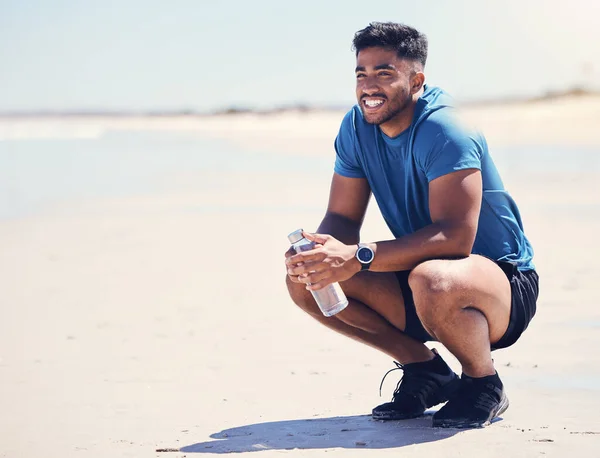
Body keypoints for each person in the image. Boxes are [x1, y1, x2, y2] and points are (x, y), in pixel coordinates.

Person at [284, 22, 539, 429]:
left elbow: (456, 237)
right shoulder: (356, 127)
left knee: (434, 278)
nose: (369, 86)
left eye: (384, 73)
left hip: (501, 285)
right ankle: (426, 370)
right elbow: (343, 219)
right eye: (361, 74)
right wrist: (321, 255)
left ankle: (483, 383)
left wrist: (358, 256)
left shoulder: (445, 129)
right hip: (419, 275)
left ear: (415, 79)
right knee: (306, 281)